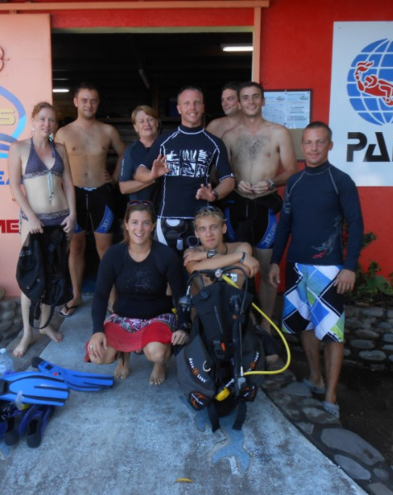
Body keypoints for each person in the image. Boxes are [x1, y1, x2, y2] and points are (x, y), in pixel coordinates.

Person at [269, 121, 364, 419]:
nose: (312, 148)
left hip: (329, 269)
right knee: (304, 325)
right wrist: (275, 260)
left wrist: (349, 268)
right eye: (308, 142)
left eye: (319, 142)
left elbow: (357, 224)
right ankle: (315, 378)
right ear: (302, 146)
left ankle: (331, 395)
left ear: (330, 145)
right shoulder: (294, 182)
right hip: (297, 266)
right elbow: (284, 224)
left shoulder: (340, 181)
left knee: (332, 334)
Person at [221, 81, 298, 337]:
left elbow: (290, 170)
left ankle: (266, 326)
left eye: (256, 97)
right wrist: (232, 181)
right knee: (236, 268)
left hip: (265, 207)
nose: (251, 102)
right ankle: (242, 321)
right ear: (239, 102)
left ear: (263, 101)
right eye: (245, 98)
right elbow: (217, 174)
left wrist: (270, 181)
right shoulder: (229, 136)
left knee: (266, 271)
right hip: (236, 208)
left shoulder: (279, 133)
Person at [86, 200, 190, 385]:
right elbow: (101, 296)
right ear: (126, 224)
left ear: (153, 226)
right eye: (134, 222)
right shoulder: (113, 255)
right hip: (123, 317)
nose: (139, 228)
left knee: (157, 352)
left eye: (145, 222)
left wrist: (182, 325)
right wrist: (97, 331)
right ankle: (123, 357)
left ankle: (159, 364)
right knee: (98, 355)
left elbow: (180, 295)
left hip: (157, 316)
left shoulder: (166, 256)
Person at [7, 102, 77, 357]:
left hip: (59, 220)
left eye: (52, 120)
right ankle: (27, 332)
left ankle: (45, 325)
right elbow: (15, 186)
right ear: (34, 120)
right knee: (32, 278)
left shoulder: (60, 148)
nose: (47, 124)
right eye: (43, 119)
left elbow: (69, 183)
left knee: (54, 276)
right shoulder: (19, 148)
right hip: (33, 221)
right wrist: (32, 217)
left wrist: (73, 213)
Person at [134, 85, 235, 254]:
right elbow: (139, 172)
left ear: (203, 107)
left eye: (197, 103)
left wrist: (214, 194)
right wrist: (152, 174)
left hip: (203, 222)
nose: (192, 107)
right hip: (168, 219)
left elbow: (229, 180)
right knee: (167, 274)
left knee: (201, 275)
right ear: (179, 108)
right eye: (187, 103)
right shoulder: (165, 140)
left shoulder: (214, 142)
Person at [55, 82, 126, 317]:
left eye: (93, 100)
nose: (89, 104)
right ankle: (75, 295)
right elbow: (54, 165)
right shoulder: (63, 133)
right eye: (84, 100)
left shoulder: (107, 131)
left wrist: (115, 177)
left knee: (105, 249)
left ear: (98, 103)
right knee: (75, 247)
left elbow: (125, 152)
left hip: (101, 194)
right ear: (76, 102)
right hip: (73, 195)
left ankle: (111, 297)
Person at [183, 205, 279, 363]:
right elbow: (194, 269)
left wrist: (207, 259)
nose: (208, 233)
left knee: (271, 357)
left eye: (213, 227)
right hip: (207, 318)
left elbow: (245, 270)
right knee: (213, 358)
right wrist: (238, 258)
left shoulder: (242, 247)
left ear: (224, 228)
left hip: (237, 315)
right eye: (203, 229)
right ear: (196, 233)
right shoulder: (191, 252)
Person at [118, 105, 160, 202]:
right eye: (141, 121)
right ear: (136, 127)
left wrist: (141, 179)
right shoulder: (131, 151)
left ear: (157, 122)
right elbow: (123, 188)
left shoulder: (167, 146)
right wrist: (153, 178)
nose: (147, 124)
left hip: (165, 209)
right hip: (140, 209)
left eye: (150, 119)